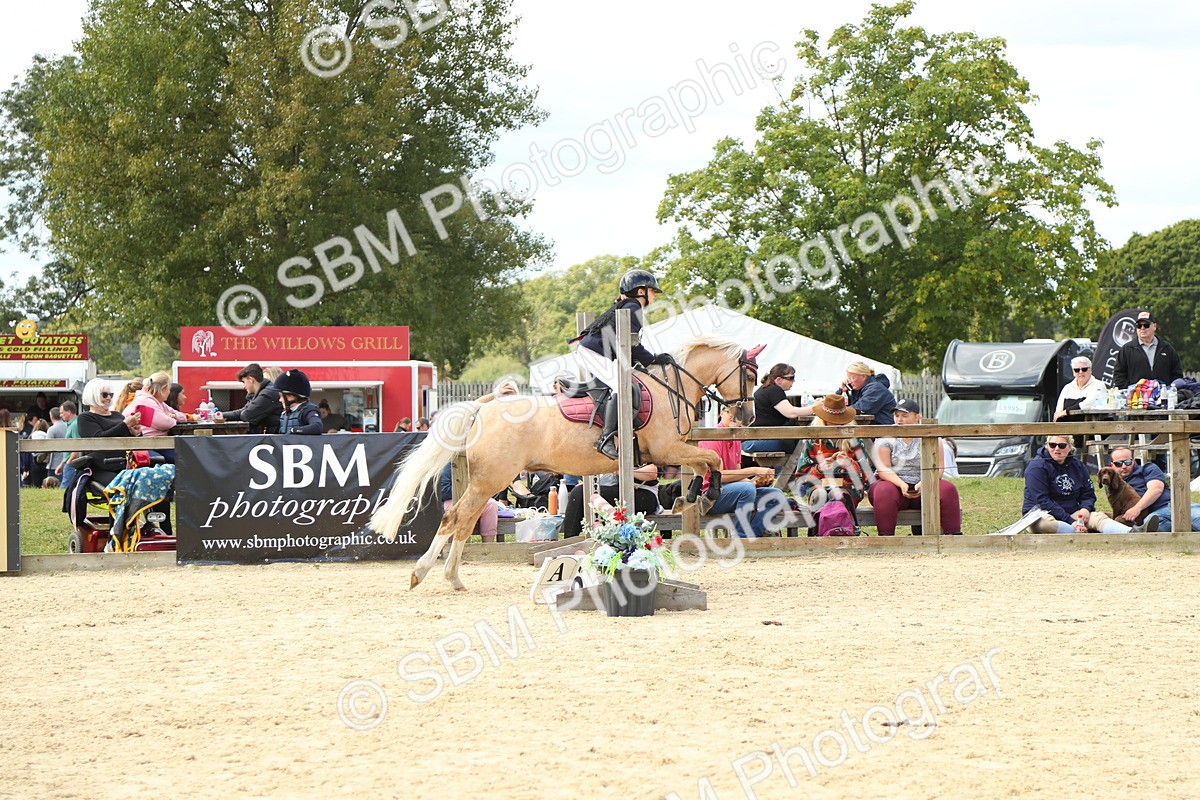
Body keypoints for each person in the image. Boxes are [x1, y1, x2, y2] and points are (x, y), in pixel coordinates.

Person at [574, 268, 674, 459]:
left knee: (619, 383)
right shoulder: (633, 306)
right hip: (594, 352)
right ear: (640, 290)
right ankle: (605, 439)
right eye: (652, 290)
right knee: (622, 386)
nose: (654, 294)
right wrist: (652, 359)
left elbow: (625, 345)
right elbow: (632, 344)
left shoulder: (627, 305)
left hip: (594, 351)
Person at [868, 399, 962, 535]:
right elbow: (884, 470)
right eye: (897, 415)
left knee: (948, 489)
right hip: (894, 485)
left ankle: (954, 535)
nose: (899, 420)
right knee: (883, 490)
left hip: (924, 484)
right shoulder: (885, 438)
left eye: (904, 416)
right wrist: (901, 484)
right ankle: (885, 537)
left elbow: (938, 469)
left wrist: (923, 483)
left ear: (918, 417)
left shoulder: (933, 438)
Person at [1022, 435, 1152, 533]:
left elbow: (1088, 493)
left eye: (1062, 445)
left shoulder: (1077, 466)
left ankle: (1133, 532)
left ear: (1070, 447)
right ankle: (1081, 532)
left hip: (1072, 512)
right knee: (1045, 524)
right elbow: (1043, 500)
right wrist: (1071, 522)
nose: (1056, 449)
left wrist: (1085, 508)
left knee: (1097, 517)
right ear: (1046, 445)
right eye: (1052, 445)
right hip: (1040, 513)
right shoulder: (1036, 467)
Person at [698, 405, 791, 538]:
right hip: (711, 497)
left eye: (739, 413)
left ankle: (752, 534)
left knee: (776, 495)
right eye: (729, 411)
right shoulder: (712, 438)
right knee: (747, 489)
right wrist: (753, 471)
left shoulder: (735, 438)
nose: (733, 415)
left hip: (731, 492)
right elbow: (718, 476)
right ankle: (740, 537)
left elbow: (737, 475)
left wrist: (754, 482)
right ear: (721, 412)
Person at [792, 395, 870, 528]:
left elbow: (866, 477)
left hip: (848, 488)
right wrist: (820, 468)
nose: (836, 424)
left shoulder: (855, 441)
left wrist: (851, 465)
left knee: (840, 495)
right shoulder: (813, 441)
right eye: (831, 420)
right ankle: (824, 531)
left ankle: (836, 531)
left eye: (840, 421)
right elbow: (802, 476)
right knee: (821, 494)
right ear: (823, 420)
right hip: (819, 487)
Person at [1106, 446, 1200, 532]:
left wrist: (1137, 508)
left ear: (1134, 461)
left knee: (1197, 519)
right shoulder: (1115, 486)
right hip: (1153, 516)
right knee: (1151, 529)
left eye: (1127, 462)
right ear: (1112, 465)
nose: (1124, 466)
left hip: (1173, 505)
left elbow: (1156, 489)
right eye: (1118, 463)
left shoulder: (1147, 468)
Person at [73, 378, 143, 487]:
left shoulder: (118, 415)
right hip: (100, 468)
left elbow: (133, 443)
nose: (109, 398)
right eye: (105, 395)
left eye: (111, 394)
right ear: (93, 395)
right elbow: (99, 439)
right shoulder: (85, 417)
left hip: (125, 465)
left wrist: (136, 433)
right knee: (127, 486)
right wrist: (125, 425)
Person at [560, 465, 663, 538]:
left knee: (580, 493)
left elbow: (652, 473)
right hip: (619, 493)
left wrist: (623, 469)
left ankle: (569, 543)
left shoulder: (639, 445)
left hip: (645, 496)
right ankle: (570, 542)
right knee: (580, 492)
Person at [740, 363, 812, 460]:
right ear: (778, 380)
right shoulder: (774, 390)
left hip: (752, 440)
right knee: (806, 446)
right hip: (756, 442)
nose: (793, 381)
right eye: (791, 378)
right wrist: (816, 408)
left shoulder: (765, 389)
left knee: (799, 444)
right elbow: (791, 413)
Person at [1112, 311, 1184, 389]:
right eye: (1139, 325)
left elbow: (1177, 374)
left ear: (1154, 326)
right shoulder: (1127, 350)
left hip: (1163, 396)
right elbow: (1118, 375)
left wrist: (1168, 389)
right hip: (1136, 398)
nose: (1142, 328)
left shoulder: (1166, 348)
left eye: (1146, 325)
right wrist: (1131, 390)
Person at [123, 372, 192, 447]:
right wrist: (169, 417)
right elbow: (165, 423)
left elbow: (182, 417)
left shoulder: (158, 402)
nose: (169, 392)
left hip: (154, 443)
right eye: (169, 389)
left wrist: (174, 415)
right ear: (163, 389)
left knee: (183, 452)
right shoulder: (144, 401)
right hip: (143, 445)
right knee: (183, 454)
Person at [220, 363, 282, 434]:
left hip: (276, 437)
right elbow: (242, 412)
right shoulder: (260, 393)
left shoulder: (267, 394)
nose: (244, 386)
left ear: (251, 379)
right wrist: (221, 415)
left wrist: (246, 410)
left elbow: (247, 416)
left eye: (244, 382)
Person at [1054, 356, 1106, 420]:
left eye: (1084, 369)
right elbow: (1058, 412)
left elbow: (1088, 404)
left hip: (1091, 427)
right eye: (1077, 370)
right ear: (1073, 372)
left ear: (1090, 370)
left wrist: (1066, 412)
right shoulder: (1067, 388)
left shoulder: (1098, 385)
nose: (1080, 372)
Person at [275, 370, 323, 435]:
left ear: (291, 396)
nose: (280, 400)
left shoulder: (308, 410)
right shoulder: (286, 413)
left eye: (282, 396)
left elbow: (317, 427)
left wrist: (294, 430)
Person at [54, 401, 80, 489]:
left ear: (69, 412)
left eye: (61, 413)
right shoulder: (72, 424)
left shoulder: (75, 425)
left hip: (72, 463)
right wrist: (62, 464)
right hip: (69, 462)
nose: (60, 415)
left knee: (64, 488)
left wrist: (68, 463)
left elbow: (78, 447)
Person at [27, 418, 50, 488]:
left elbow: (27, 451)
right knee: (45, 484)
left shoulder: (32, 435)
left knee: (35, 484)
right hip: (46, 463)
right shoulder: (47, 435)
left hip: (34, 463)